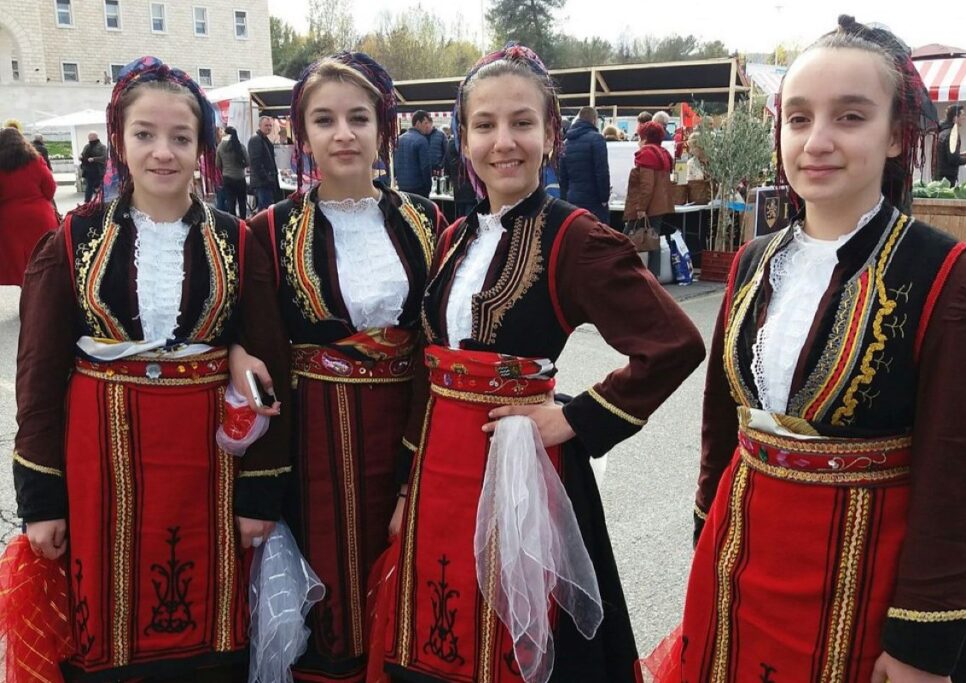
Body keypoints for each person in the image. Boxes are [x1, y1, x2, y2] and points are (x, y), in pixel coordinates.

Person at [646, 15, 966, 683]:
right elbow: (719, 423)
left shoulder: (955, 285)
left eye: (850, 117)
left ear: (900, 134)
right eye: (798, 118)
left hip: (864, 592)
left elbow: (962, 483)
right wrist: (707, 535)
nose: (816, 141)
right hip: (740, 568)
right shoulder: (756, 261)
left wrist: (920, 644)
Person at [381, 42, 706, 683]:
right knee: (437, 632)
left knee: (511, 644)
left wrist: (575, 418)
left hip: (520, 470)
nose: (504, 142)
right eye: (485, 125)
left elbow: (674, 344)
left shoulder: (574, 236)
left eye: (522, 123)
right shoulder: (457, 235)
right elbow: (429, 370)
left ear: (551, 133)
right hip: (439, 471)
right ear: (463, 138)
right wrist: (403, 484)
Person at [13, 55, 291, 681]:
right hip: (99, 468)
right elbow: (35, 379)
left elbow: (275, 373)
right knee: (106, 629)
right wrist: (41, 500)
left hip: (211, 471)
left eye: (180, 137)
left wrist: (261, 493)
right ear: (119, 140)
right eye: (145, 134)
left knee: (208, 629)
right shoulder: (71, 240)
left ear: (202, 148)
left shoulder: (238, 240)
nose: (163, 153)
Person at [230, 51, 446, 682]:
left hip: (408, 433)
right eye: (324, 120)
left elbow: (439, 337)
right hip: (312, 440)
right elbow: (256, 342)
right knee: (327, 587)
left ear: (385, 127)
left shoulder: (427, 220)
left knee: (405, 576)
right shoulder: (268, 230)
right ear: (303, 136)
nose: (343, 134)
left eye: (359, 117)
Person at [0, 127, 59, 287]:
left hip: (9, 220)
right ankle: (42, 297)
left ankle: (27, 295)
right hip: (39, 216)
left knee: (19, 262)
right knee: (43, 257)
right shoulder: (35, 159)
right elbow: (50, 189)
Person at [624, 120, 674, 269]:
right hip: (659, 205)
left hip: (646, 205)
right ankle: (654, 274)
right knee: (653, 240)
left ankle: (623, 270)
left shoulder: (646, 154)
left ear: (644, 137)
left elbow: (647, 185)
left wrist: (641, 207)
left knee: (626, 237)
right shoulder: (664, 153)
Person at [559, 105, 611, 223]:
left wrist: (564, 201)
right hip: (594, 200)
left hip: (572, 199)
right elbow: (602, 171)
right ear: (594, 120)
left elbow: (563, 177)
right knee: (598, 235)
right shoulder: (597, 139)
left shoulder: (566, 143)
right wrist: (604, 198)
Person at [394, 110, 433, 197]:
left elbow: (395, 164)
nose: (427, 126)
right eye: (425, 123)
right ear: (418, 123)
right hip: (418, 188)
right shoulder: (421, 140)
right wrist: (428, 186)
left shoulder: (399, 139)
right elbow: (425, 167)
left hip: (402, 187)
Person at [935, 104, 966, 185]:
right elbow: (953, 159)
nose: (964, 117)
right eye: (962, 115)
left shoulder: (943, 132)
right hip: (947, 180)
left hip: (940, 176)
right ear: (955, 118)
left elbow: (947, 154)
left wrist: (962, 154)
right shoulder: (952, 134)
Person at [248, 115, 281, 209]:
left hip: (266, 181)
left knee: (266, 207)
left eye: (270, 125)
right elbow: (256, 163)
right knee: (264, 209)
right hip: (262, 183)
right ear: (260, 125)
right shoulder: (256, 139)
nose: (269, 128)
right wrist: (266, 178)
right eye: (266, 125)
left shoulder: (264, 139)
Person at [216, 124, 249, 217]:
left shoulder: (220, 147)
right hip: (240, 178)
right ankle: (243, 223)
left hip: (227, 178)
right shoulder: (240, 146)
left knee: (231, 202)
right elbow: (247, 162)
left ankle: (233, 224)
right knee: (242, 202)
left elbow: (217, 164)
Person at [445, 131, 477, 217]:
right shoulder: (471, 144)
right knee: (470, 219)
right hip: (472, 189)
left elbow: (446, 167)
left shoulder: (450, 144)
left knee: (460, 217)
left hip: (458, 188)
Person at [79, 131, 107, 202]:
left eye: (91, 136)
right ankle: (87, 201)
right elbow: (82, 154)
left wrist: (94, 159)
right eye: (89, 136)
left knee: (98, 187)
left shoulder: (102, 147)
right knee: (89, 187)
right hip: (88, 170)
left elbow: (104, 157)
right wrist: (80, 156)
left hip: (98, 171)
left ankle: (100, 201)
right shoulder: (86, 146)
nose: (90, 138)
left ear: (95, 137)